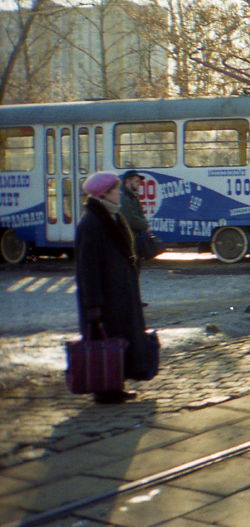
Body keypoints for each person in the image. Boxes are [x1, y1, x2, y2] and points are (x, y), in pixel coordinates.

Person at [75, 171, 150, 404]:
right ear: (103, 194)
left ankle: (116, 385)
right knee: (106, 341)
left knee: (119, 339)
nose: (119, 193)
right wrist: (93, 305)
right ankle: (105, 390)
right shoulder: (91, 223)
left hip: (119, 293)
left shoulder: (113, 217)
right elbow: (88, 269)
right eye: (115, 189)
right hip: (106, 297)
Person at [119, 170, 153, 263]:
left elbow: (140, 214)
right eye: (136, 181)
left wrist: (145, 223)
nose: (139, 184)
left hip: (134, 238)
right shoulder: (123, 197)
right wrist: (145, 226)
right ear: (128, 181)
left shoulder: (133, 196)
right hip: (128, 240)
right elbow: (130, 219)